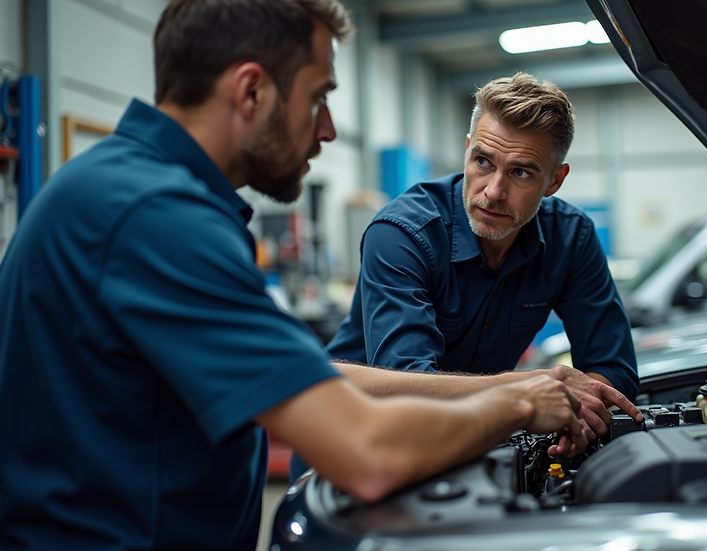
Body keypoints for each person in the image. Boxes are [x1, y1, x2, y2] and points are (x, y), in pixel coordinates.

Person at [0, 2, 609, 549]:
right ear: (252, 91)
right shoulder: (155, 218)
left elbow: (317, 379)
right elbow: (368, 451)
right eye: (319, 96)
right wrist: (520, 397)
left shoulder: (131, 192)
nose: (329, 129)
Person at [323, 72, 640, 442]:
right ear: (468, 148)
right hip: (352, 440)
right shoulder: (401, 235)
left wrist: (582, 410)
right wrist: (526, 392)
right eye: (483, 162)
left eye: (520, 172)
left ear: (555, 180)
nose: (493, 191)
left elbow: (614, 370)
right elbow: (408, 383)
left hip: (467, 439)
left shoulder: (571, 237)